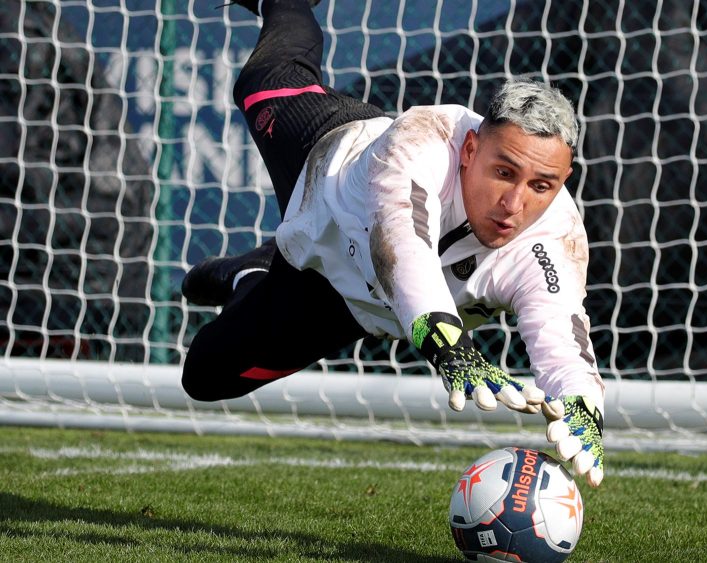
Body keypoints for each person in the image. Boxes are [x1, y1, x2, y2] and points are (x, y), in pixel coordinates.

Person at [181, 0, 605, 487]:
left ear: (564, 180)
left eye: (541, 185)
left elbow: (562, 342)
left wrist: (583, 408)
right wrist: (450, 345)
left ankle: (252, 273)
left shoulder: (557, 240)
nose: (514, 203)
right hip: (325, 166)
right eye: (503, 172)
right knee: (262, 79)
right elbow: (402, 246)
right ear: (470, 149)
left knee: (205, 376)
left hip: (344, 302)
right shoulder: (422, 139)